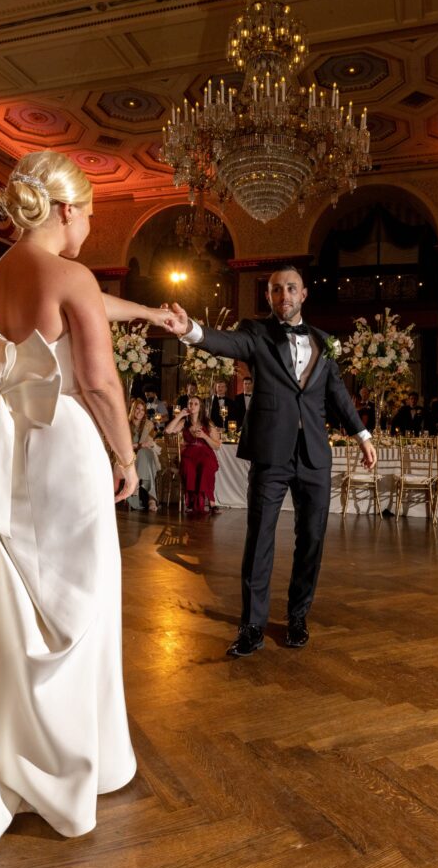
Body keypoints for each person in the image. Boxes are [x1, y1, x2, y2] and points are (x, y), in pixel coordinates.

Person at [0, 150, 179, 868]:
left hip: (10, 455)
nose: (91, 227)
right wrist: (128, 457)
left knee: (18, 599)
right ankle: (69, 767)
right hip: (65, 451)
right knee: (78, 606)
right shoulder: (74, 278)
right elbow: (95, 381)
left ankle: (15, 758)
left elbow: (84, 312)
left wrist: (150, 313)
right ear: (65, 211)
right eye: (90, 213)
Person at [169, 265, 376, 656]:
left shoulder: (323, 341)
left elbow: (338, 394)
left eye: (291, 288)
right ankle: (252, 626)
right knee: (260, 538)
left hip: (314, 454)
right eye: (276, 290)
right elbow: (224, 342)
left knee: (311, 539)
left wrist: (362, 435)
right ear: (268, 297)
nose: (284, 296)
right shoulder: (257, 332)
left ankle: (298, 616)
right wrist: (190, 330)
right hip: (271, 454)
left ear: (304, 294)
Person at [164, 394, 222, 514]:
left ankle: (211, 502)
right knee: (188, 469)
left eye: (195, 404)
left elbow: (217, 446)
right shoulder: (184, 422)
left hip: (205, 453)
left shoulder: (207, 422)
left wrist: (204, 436)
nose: (192, 406)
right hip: (189, 454)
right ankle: (191, 502)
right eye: (190, 403)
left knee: (206, 467)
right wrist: (180, 415)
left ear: (200, 407)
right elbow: (168, 430)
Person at [127, 398, 161, 512]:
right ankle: (151, 498)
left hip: (146, 454)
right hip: (130, 457)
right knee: (142, 454)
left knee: (144, 453)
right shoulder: (125, 425)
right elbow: (124, 447)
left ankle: (135, 493)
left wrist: (144, 444)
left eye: (142, 410)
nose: (140, 412)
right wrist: (139, 445)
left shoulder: (149, 424)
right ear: (133, 409)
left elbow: (150, 442)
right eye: (137, 408)